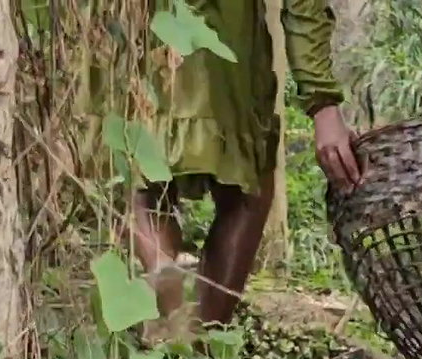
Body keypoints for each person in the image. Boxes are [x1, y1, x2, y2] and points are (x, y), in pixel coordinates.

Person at [89, 0, 364, 340]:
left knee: (137, 158)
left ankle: (161, 269)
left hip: (134, 29)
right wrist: (322, 103)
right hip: (226, 41)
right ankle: (204, 336)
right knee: (248, 187)